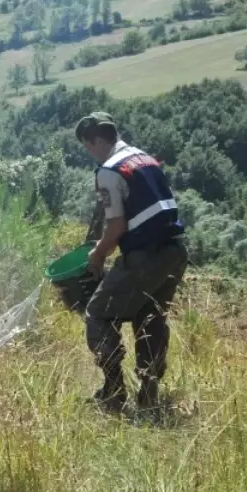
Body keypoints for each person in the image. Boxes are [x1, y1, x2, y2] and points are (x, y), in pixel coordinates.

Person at [75, 112, 188, 413]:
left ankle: (113, 394)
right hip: (174, 252)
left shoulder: (109, 171)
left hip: (145, 256)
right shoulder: (143, 158)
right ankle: (149, 397)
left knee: (98, 314)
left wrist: (98, 254)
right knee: (149, 316)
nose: (90, 154)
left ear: (98, 140)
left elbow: (116, 227)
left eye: (88, 146)